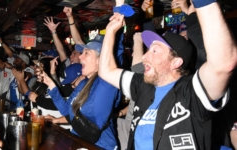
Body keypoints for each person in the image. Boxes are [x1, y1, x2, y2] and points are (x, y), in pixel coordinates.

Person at [98, 1, 237, 149]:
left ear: (175, 62)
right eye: (148, 50)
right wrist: (111, 31)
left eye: (154, 51)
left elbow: (223, 64)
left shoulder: (192, 91)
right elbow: (106, 71)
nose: (145, 56)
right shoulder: (143, 85)